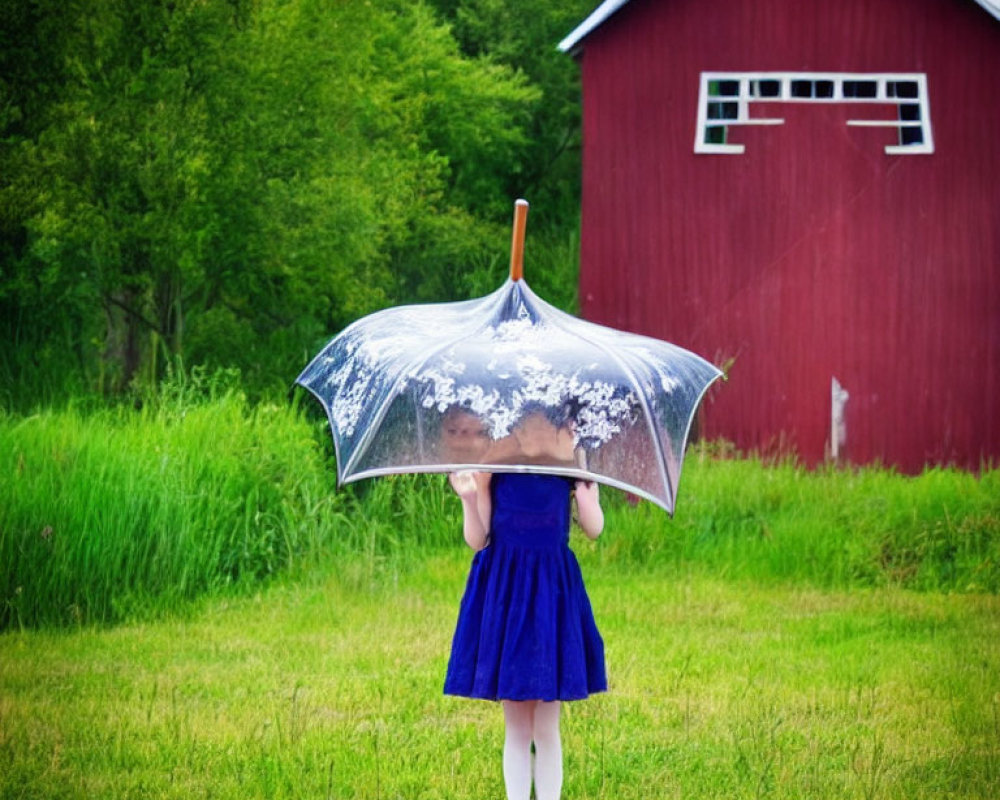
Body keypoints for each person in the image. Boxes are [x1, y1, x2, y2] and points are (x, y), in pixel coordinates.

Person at [443, 410, 606, 800]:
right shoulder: (495, 459)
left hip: (552, 592)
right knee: (517, 725)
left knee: (547, 725)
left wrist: (585, 494)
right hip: (507, 592)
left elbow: (594, 527)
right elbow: (478, 538)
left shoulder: (569, 456)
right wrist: (469, 497)